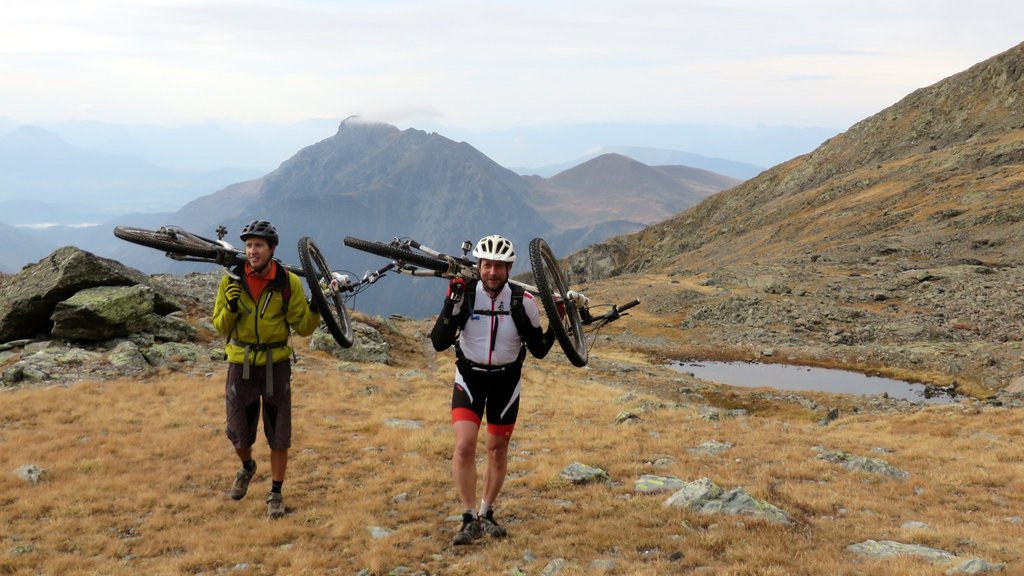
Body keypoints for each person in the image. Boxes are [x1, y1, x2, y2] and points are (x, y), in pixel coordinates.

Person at [430, 234, 558, 545]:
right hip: (470, 378)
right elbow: (439, 342)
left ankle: (487, 513)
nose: (492, 272)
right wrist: (451, 301)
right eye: (487, 265)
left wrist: (557, 320)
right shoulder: (465, 295)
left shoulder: (521, 302)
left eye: (499, 266)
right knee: (464, 446)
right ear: (479, 265)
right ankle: (468, 516)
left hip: (506, 382)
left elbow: (539, 349)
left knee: (497, 450)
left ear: (509, 269)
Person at [211, 219, 321, 518]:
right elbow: (220, 326)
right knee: (238, 432)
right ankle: (247, 466)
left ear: (271, 249)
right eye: (248, 245)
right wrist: (231, 309)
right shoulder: (231, 280)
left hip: (276, 365)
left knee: (279, 432)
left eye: (258, 245)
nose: (251, 251)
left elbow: (303, 327)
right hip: (240, 363)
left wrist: (316, 307)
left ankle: (275, 492)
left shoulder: (287, 282)